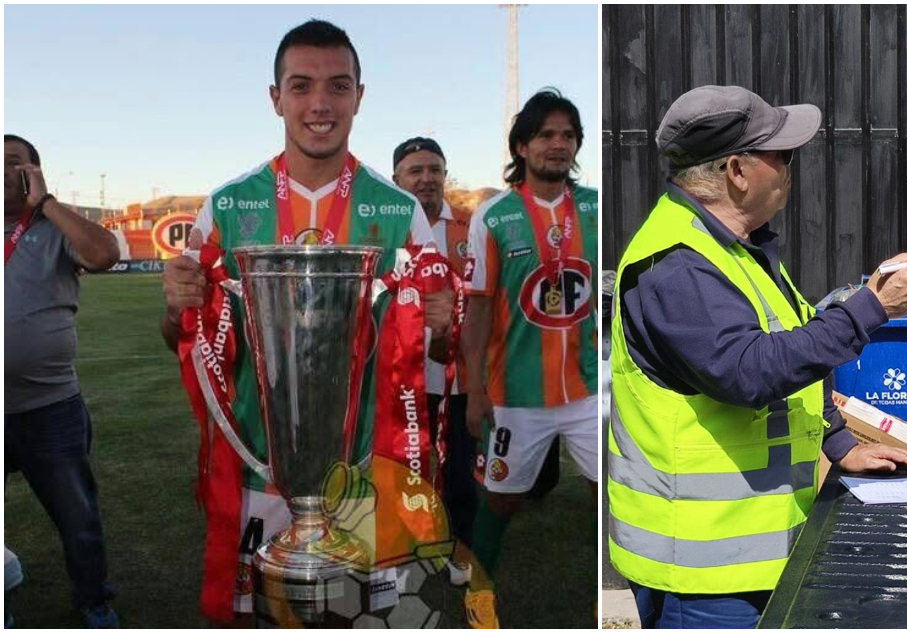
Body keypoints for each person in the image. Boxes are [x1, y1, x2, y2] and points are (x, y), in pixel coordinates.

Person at [607, 85, 907, 629]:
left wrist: (839, 444)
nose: (790, 167)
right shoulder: (677, 265)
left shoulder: (736, 247)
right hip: (703, 573)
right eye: (780, 155)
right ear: (737, 170)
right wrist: (871, 308)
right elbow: (749, 371)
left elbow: (793, 363)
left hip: (751, 558)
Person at [159, 20, 451, 623]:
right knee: (262, 615)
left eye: (338, 87)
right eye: (301, 86)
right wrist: (176, 308)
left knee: (358, 615)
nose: (320, 103)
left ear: (359, 97)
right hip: (259, 467)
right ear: (276, 98)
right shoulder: (229, 205)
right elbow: (181, 342)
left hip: (362, 473)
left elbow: (433, 353)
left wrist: (443, 323)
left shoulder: (398, 212)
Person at [461, 89, 599, 628]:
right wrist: (474, 388)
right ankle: (479, 592)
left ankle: (605, 595)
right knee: (501, 500)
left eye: (567, 135)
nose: (557, 145)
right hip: (515, 394)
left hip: (588, 388)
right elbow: (476, 309)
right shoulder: (493, 216)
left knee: (605, 491)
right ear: (522, 145)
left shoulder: (593, 207)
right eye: (545, 134)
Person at [4, 133, 121, 628]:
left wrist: (46, 202)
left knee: (77, 516)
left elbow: (105, 254)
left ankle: (93, 599)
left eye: (13, 162)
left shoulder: (54, 225)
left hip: (48, 406)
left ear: (33, 172)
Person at [391, 136, 477, 587]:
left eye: (434, 170)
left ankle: (458, 549)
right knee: (404, 471)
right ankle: (406, 551)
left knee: (460, 473)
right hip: (399, 379)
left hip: (458, 381)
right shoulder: (385, 231)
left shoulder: (469, 226)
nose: (426, 179)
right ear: (396, 180)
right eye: (415, 171)